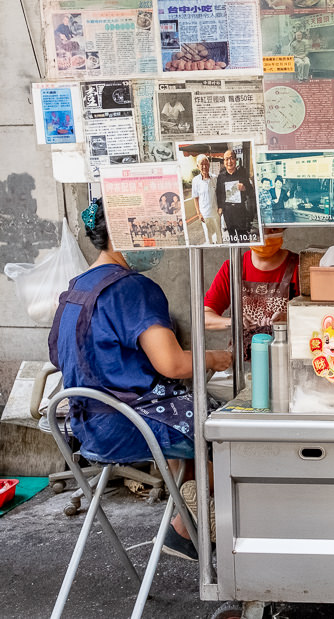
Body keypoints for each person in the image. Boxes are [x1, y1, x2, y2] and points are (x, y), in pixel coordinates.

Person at [49, 199, 231, 558]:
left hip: (86, 427)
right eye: (152, 232)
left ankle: (188, 519)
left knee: (192, 418)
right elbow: (173, 364)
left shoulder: (76, 289)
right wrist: (216, 357)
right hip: (130, 426)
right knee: (230, 432)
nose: (158, 242)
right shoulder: (132, 289)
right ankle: (191, 525)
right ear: (124, 233)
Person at [204, 228, 300, 359]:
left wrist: (289, 318)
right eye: (257, 230)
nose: (265, 236)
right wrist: (234, 322)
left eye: (273, 230)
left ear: (283, 229)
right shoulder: (232, 269)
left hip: (287, 359)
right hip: (243, 362)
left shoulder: (298, 268)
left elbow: (316, 317)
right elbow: (204, 317)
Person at [215, 149, 257, 243]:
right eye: (226, 159)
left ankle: (245, 255)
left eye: (231, 158)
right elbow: (219, 193)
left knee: (243, 238)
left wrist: (244, 188)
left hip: (240, 211)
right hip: (228, 212)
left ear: (236, 160)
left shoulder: (242, 175)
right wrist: (220, 207)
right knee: (232, 237)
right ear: (224, 161)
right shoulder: (221, 177)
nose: (229, 162)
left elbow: (251, 192)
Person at [191, 155, 222, 245]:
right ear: (198, 166)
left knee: (219, 234)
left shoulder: (215, 178)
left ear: (209, 165)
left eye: (206, 164)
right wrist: (198, 213)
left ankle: (220, 248)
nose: (204, 166)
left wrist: (220, 208)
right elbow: (195, 198)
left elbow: (219, 194)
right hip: (205, 214)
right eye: (202, 164)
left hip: (216, 212)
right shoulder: (195, 180)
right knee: (208, 237)